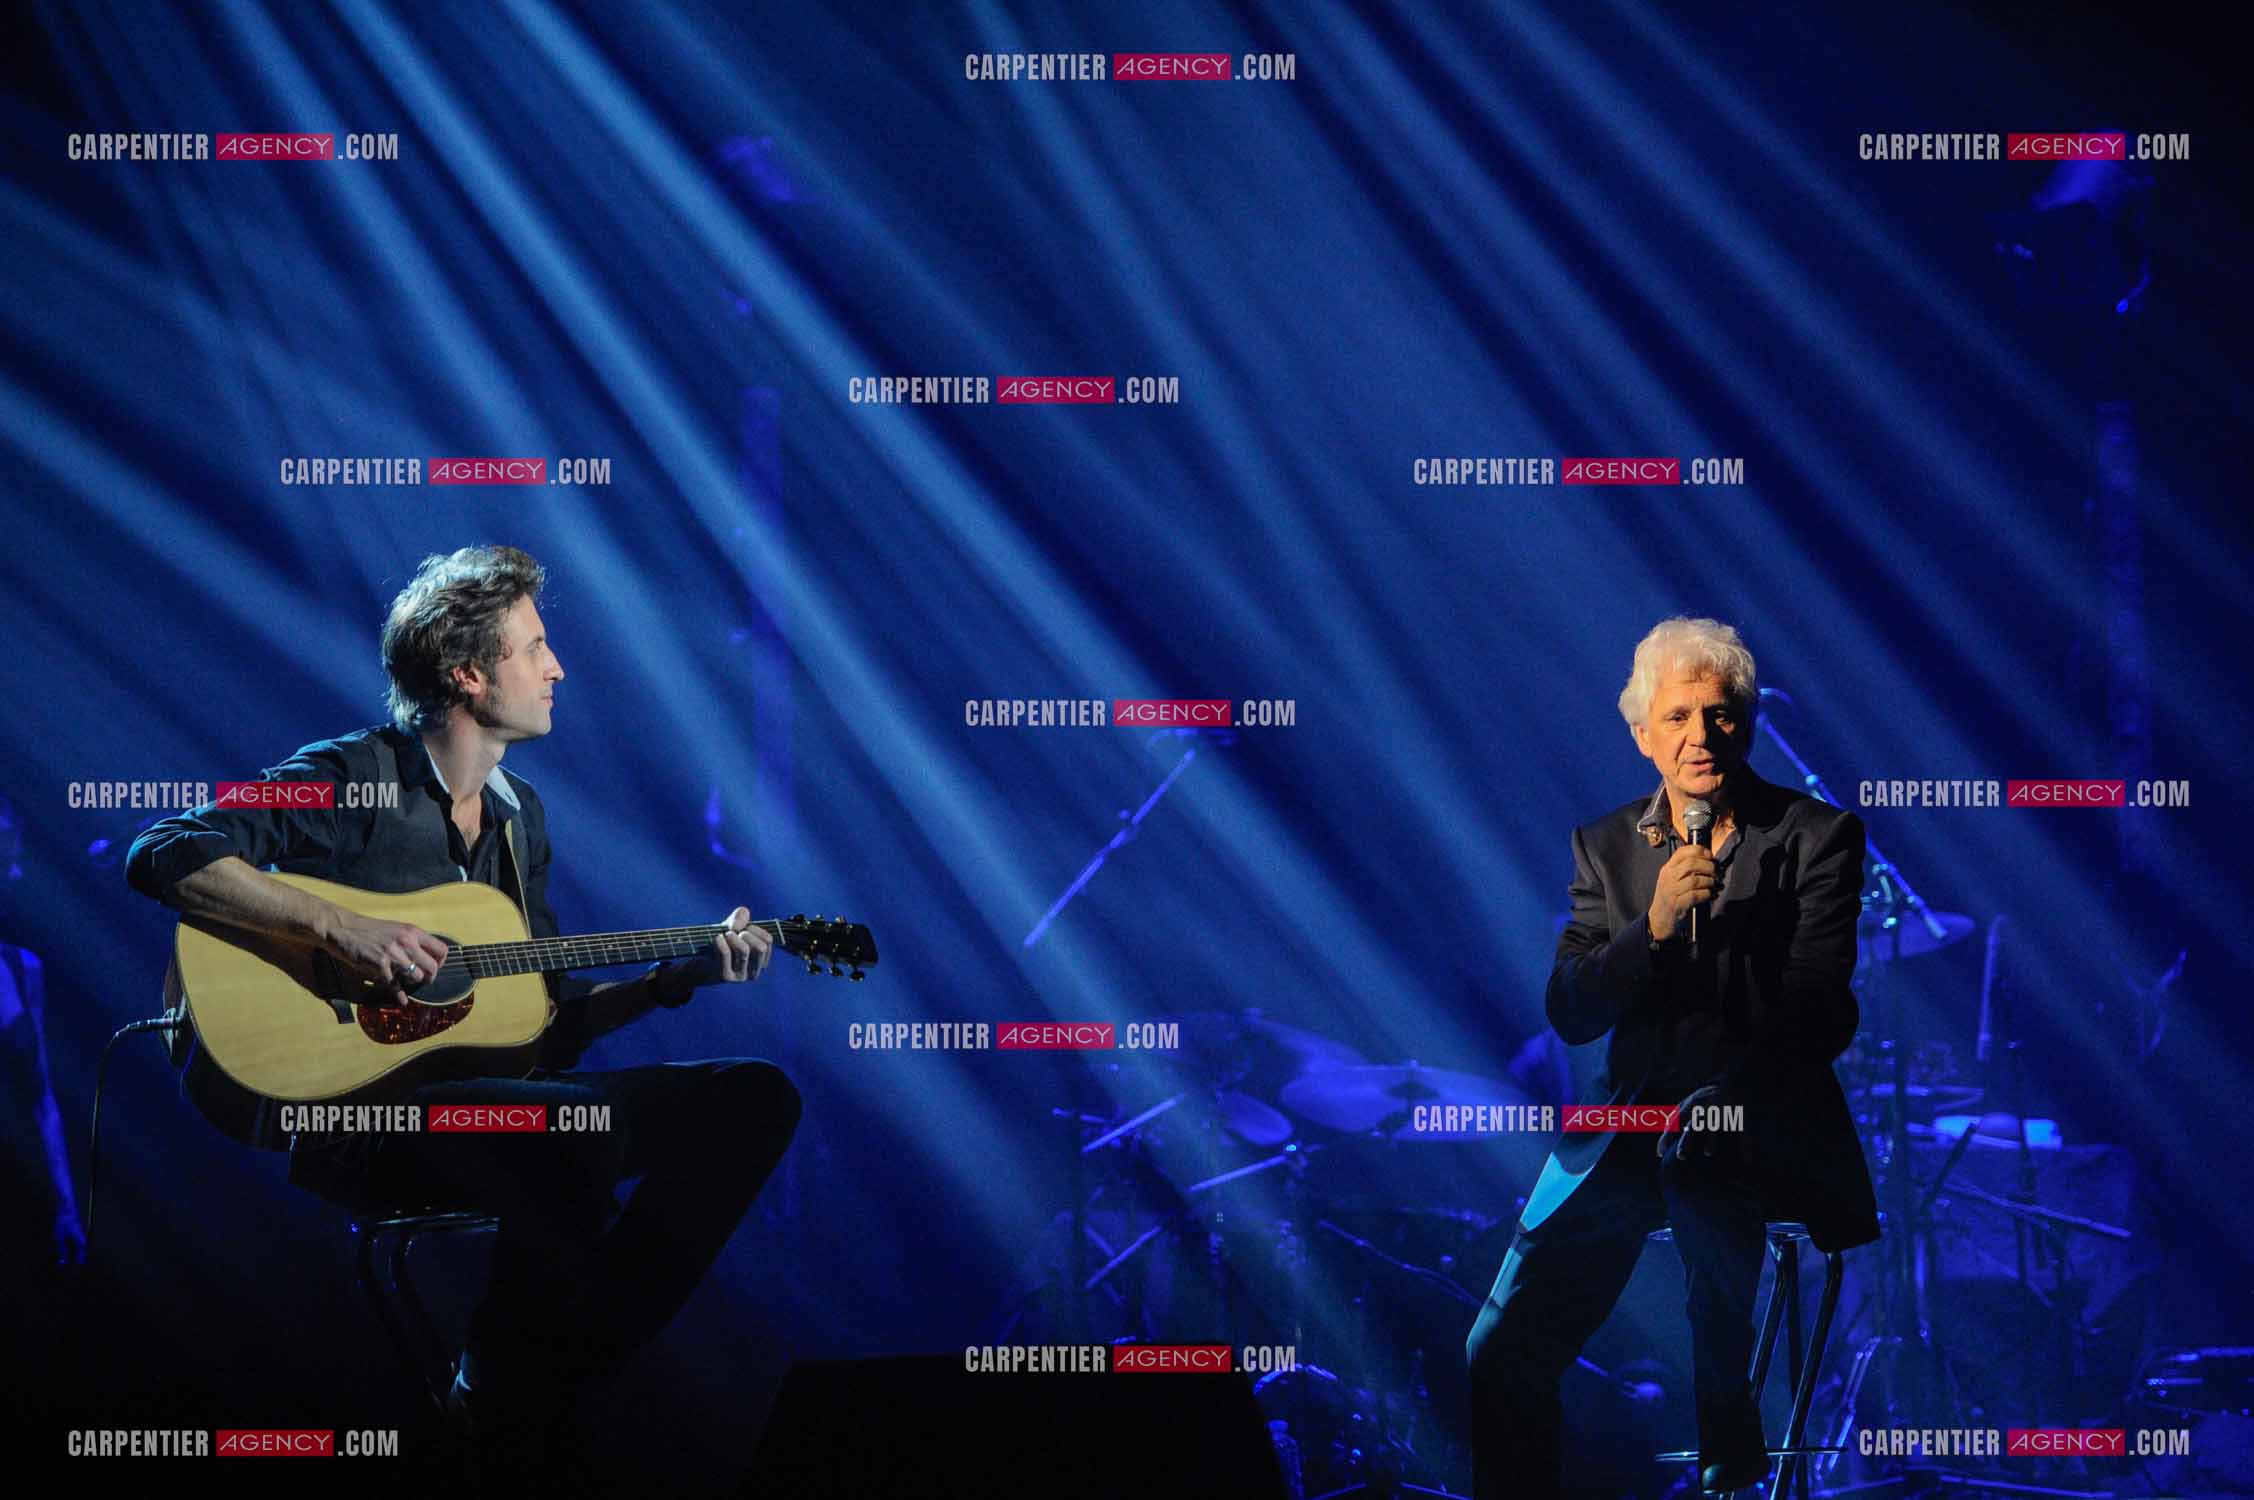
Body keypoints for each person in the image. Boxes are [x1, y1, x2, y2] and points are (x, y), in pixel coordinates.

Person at [126, 545, 802, 1484]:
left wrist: (670, 982)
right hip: (367, 1116)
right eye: (535, 649)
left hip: (504, 1110)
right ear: (469, 673)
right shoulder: (354, 774)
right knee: (570, 1133)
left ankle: (520, 1386)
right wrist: (342, 926)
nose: (558, 667)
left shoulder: (523, 821)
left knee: (753, 1099)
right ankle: (518, 1398)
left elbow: (545, 1029)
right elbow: (165, 847)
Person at [1465, 617, 1879, 1497]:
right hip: (1631, 1126)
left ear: (1749, 723)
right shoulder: (1606, 846)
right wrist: (1649, 932)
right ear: (1644, 735)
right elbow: (1571, 1011)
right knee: (1498, 1352)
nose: (1701, 736)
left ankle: (1726, 1413)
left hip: (1761, 1120)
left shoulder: (1817, 836)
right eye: (1679, 716)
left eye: (1721, 714)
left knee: (1702, 1146)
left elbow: (1821, 1011)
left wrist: (1726, 1090)